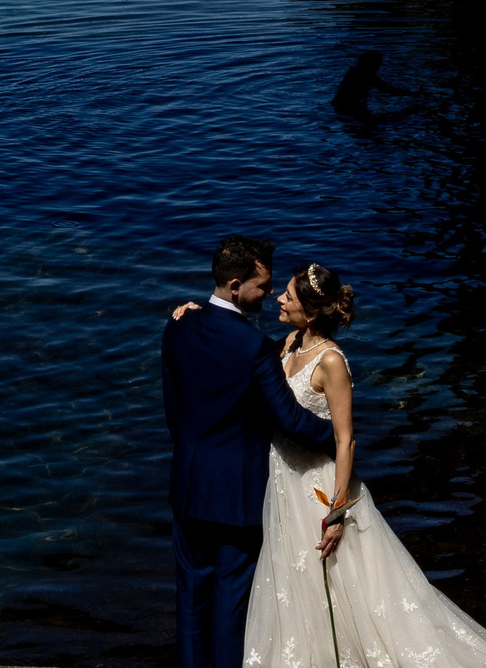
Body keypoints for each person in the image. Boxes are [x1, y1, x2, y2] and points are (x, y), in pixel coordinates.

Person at [174, 264, 486, 668]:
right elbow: (237, 350)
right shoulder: (286, 343)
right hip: (279, 481)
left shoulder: (331, 361)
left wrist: (338, 510)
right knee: (289, 585)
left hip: (315, 484)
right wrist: (199, 312)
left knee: (338, 587)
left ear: (311, 313)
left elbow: (345, 439)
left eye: (289, 296)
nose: (279, 297)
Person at [161, 236, 341, 668]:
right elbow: (290, 420)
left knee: (191, 601)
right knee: (230, 605)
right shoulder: (254, 347)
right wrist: (341, 436)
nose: (270, 294)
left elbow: (174, 410)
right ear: (237, 284)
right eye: (263, 286)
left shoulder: (178, 325)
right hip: (237, 496)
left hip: (187, 485)